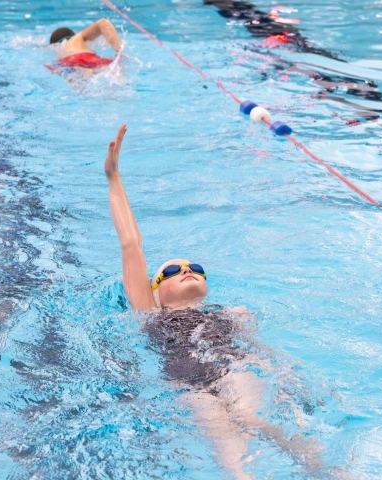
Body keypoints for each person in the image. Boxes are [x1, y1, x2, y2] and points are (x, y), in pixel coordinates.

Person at [104, 124, 348, 479]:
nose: (186, 270)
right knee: (227, 448)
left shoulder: (232, 314)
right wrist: (113, 179)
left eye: (195, 268)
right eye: (173, 269)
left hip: (235, 368)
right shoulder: (149, 311)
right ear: (154, 290)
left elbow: (265, 354)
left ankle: (325, 470)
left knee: (254, 418)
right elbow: (131, 244)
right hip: (186, 384)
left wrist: (295, 382)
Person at [48, 19, 121, 70]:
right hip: (83, 57)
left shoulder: (60, 52)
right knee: (117, 65)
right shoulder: (77, 38)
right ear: (72, 36)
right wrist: (120, 51)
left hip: (64, 63)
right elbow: (102, 23)